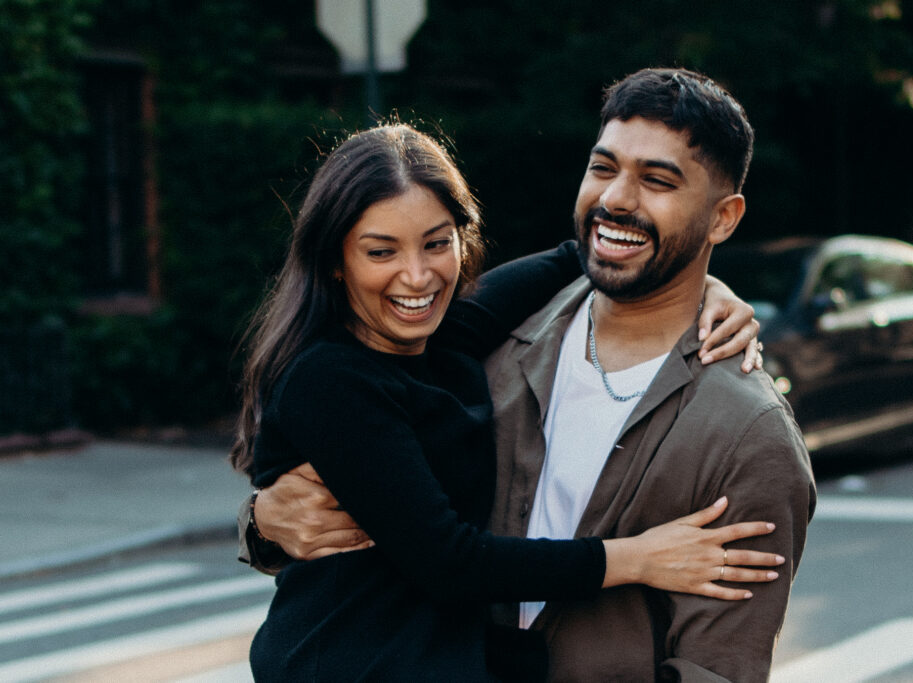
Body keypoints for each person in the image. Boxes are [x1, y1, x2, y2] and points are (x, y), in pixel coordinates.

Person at [231, 122, 788, 682]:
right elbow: (451, 562)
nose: (418, 276)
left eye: (436, 242)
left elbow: (589, 252)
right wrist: (639, 557)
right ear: (334, 260)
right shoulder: (328, 380)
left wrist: (708, 287)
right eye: (381, 251)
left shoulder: (450, 338)